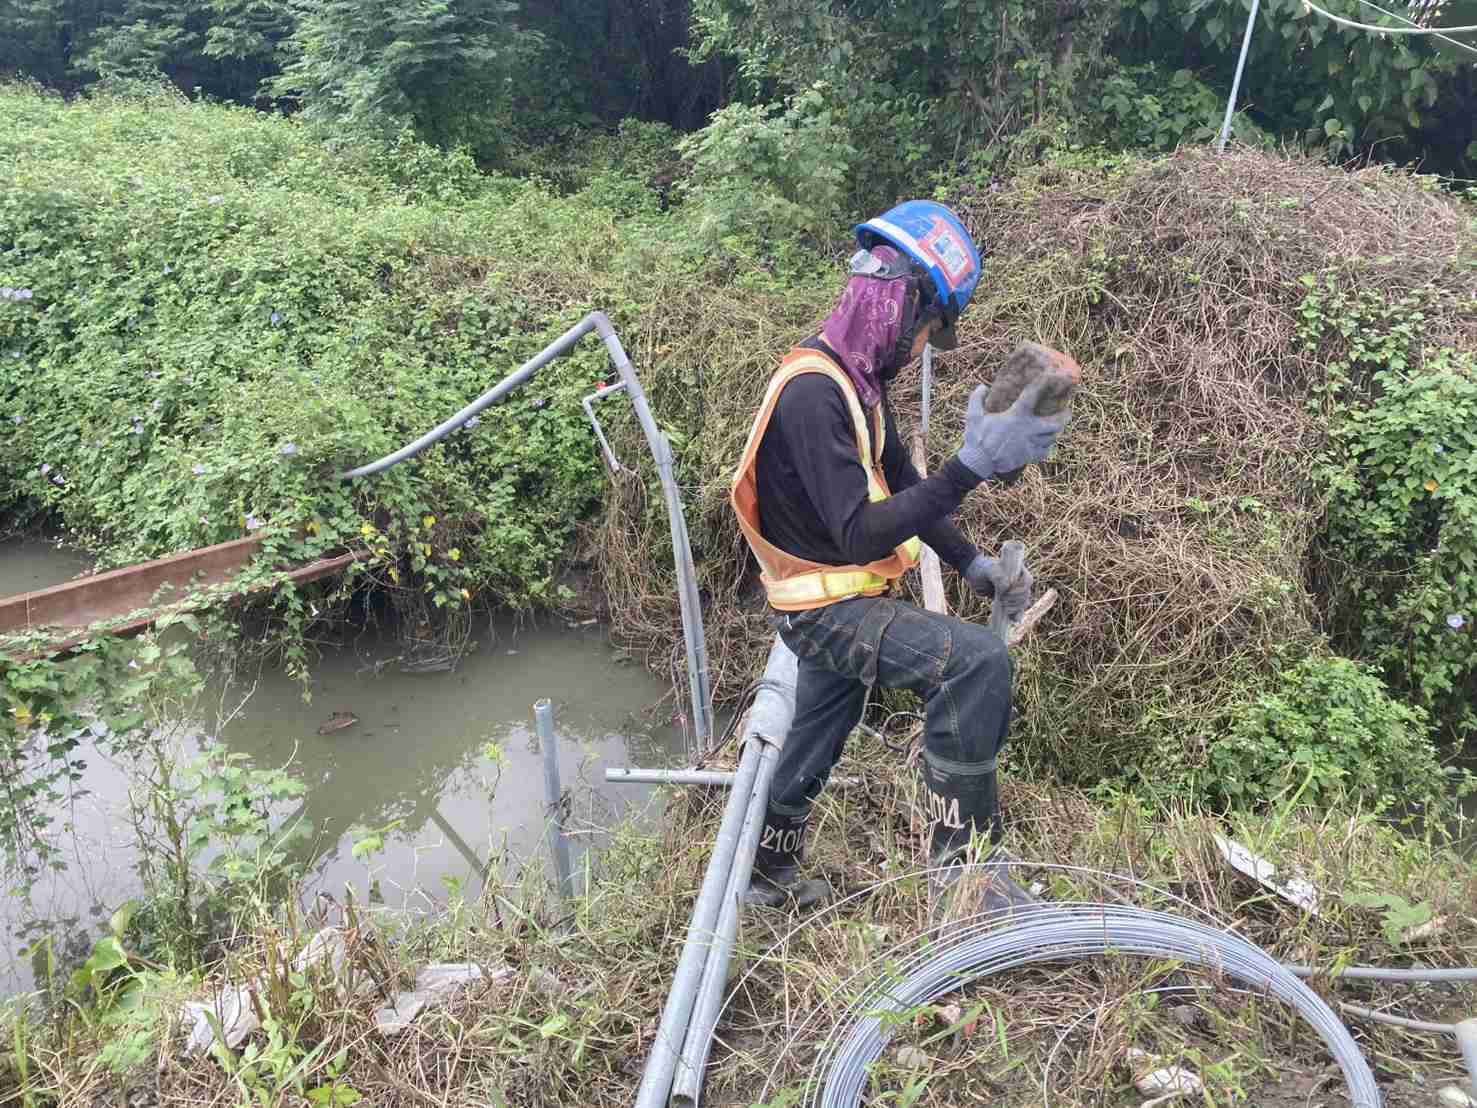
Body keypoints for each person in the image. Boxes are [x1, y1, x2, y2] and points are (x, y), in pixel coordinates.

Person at [729, 200, 1070, 908]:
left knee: (821, 726)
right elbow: (859, 532)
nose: (919, 350)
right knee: (976, 664)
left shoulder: (854, 382)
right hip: (822, 608)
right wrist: (971, 465)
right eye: (927, 333)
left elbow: (906, 486)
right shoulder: (812, 394)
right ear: (904, 306)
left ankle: (767, 873)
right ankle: (968, 883)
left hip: (836, 598)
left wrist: (971, 564)